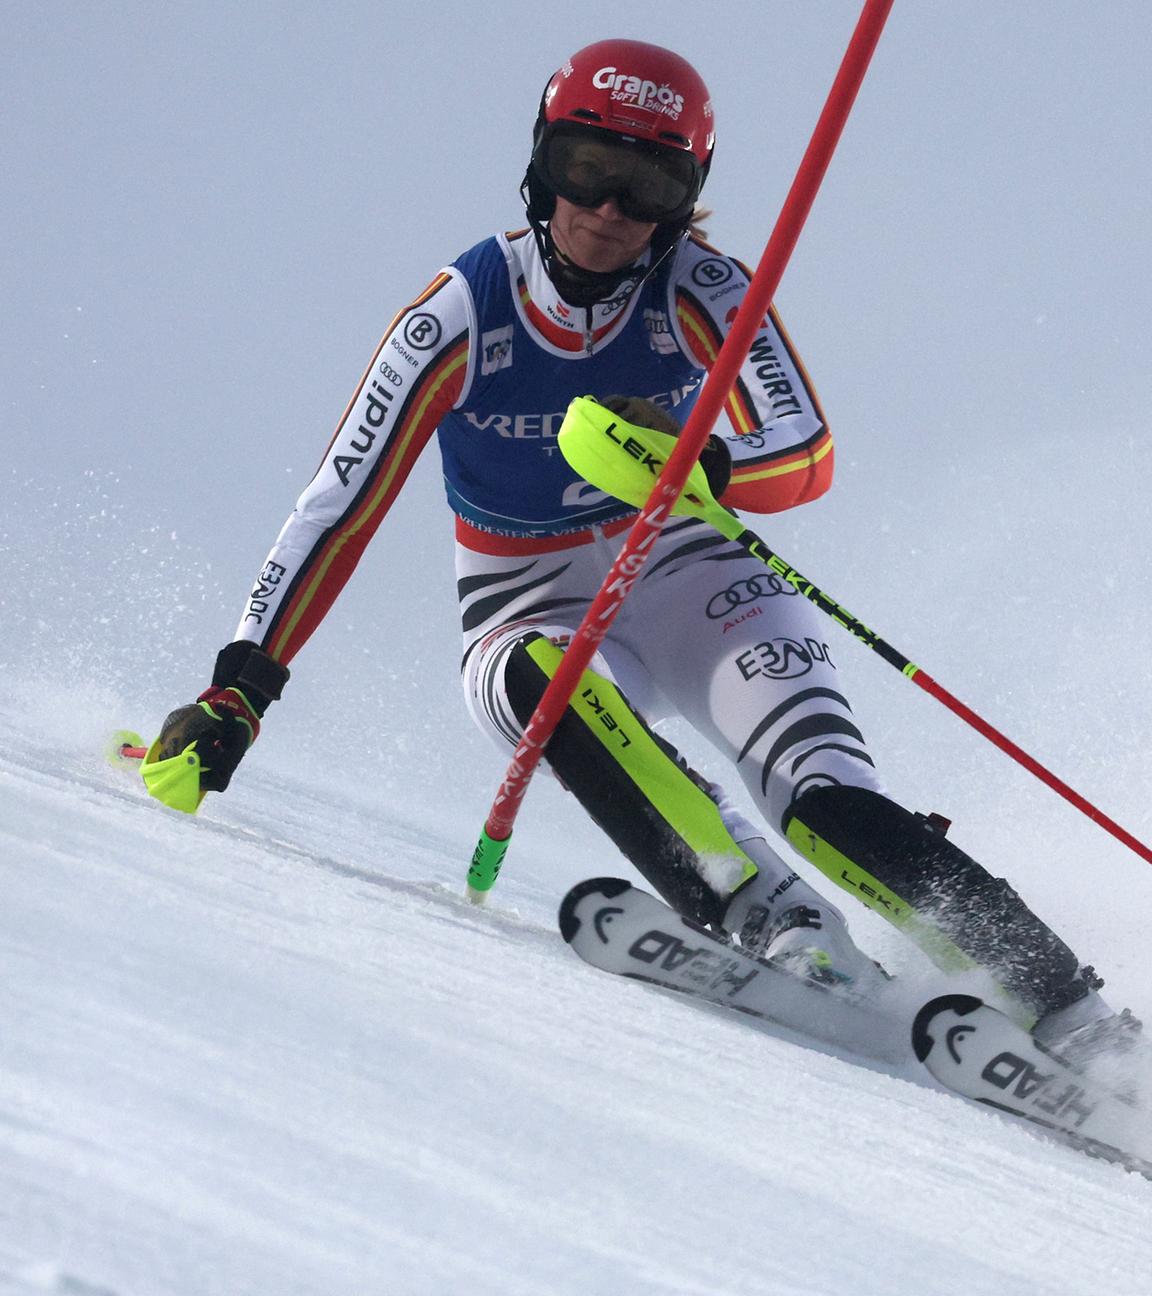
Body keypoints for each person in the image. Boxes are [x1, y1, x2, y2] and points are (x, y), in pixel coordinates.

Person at [149, 39, 1135, 1060]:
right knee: (540, 683)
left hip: (690, 574)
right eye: (588, 169)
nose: (611, 210)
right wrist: (240, 689)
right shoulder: (460, 311)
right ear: (542, 164)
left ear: (684, 197)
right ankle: (775, 924)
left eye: (650, 183)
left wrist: (696, 466)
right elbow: (339, 505)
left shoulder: (702, 286)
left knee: (826, 804)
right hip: (522, 595)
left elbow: (805, 451)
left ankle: (1076, 1019)